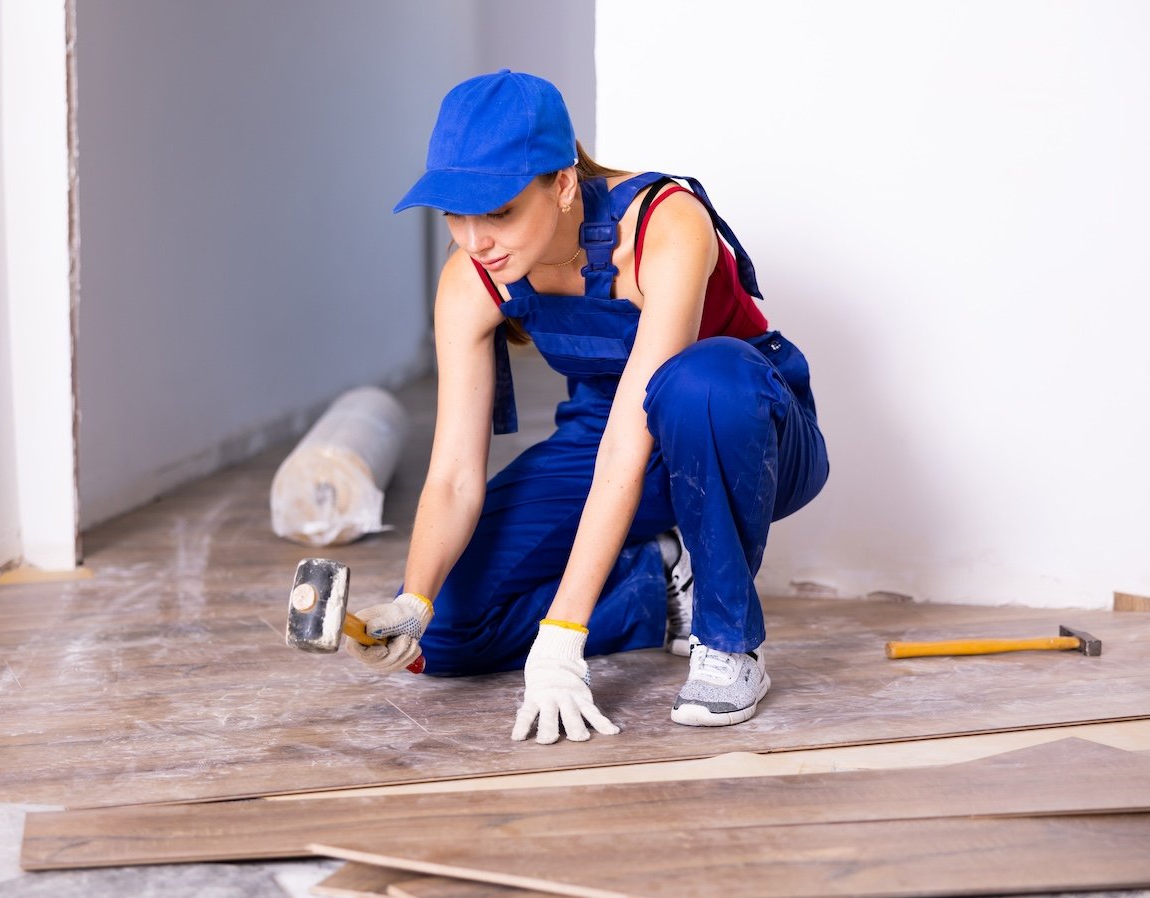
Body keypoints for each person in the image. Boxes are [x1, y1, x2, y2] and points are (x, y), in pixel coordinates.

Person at [347, 69, 828, 745]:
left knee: (703, 380)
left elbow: (629, 449)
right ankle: (655, 586)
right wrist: (414, 599)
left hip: (744, 433)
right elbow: (455, 473)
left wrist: (563, 633)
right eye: (454, 214)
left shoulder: (665, 225)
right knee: (447, 634)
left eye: (499, 211)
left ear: (564, 185)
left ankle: (726, 641)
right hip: (602, 434)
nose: (475, 240)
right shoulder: (471, 279)